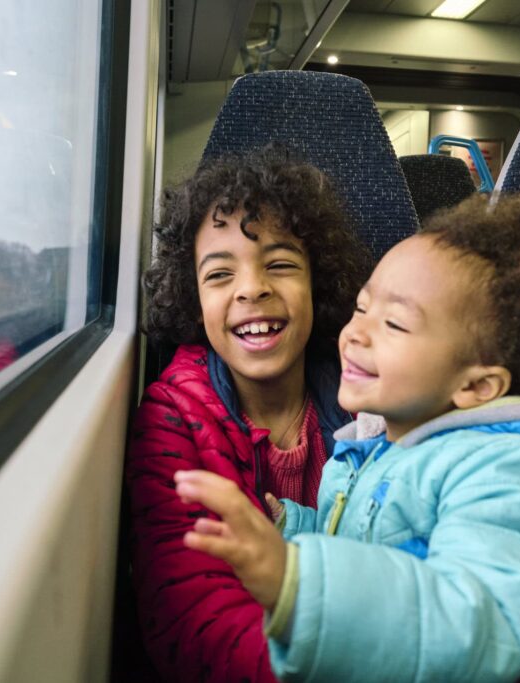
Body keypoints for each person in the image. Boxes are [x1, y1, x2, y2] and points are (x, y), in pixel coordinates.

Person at [173, 192, 520, 682]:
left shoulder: (512, 471)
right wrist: (291, 527)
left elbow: (475, 626)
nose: (356, 334)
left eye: (394, 323)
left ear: (475, 386)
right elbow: (367, 539)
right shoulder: (379, 446)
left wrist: (296, 580)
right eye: (362, 309)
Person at [125, 145, 370, 682]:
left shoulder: (377, 393)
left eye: (280, 265)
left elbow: (493, 471)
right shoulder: (174, 419)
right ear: (194, 299)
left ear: (317, 283)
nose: (252, 288)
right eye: (218, 275)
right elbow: (193, 623)